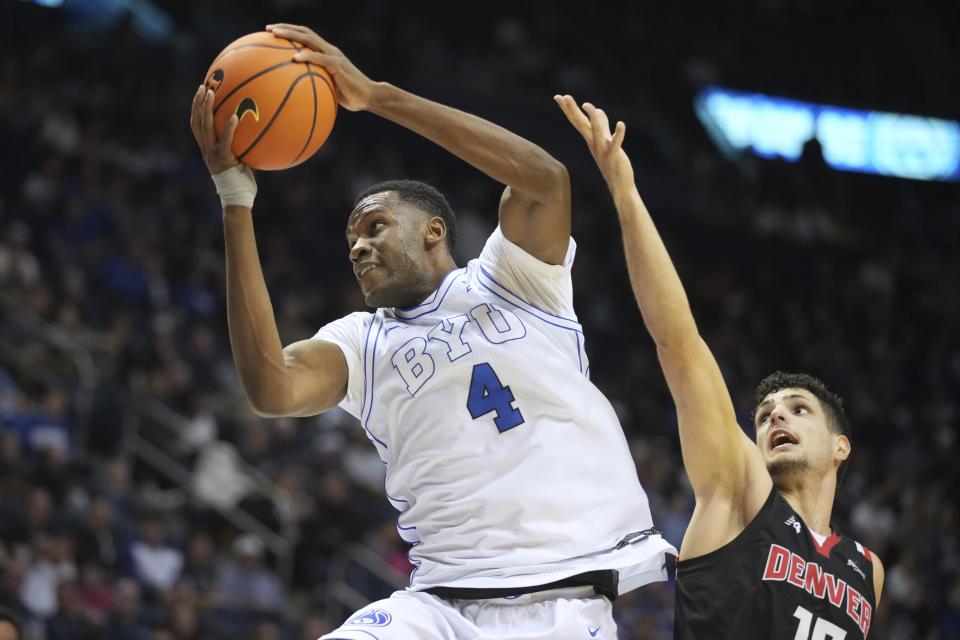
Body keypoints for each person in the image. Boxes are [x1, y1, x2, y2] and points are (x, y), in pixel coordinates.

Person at [190, 22, 675, 640]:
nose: (358, 248)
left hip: (562, 605)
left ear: (434, 231)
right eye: (350, 242)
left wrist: (375, 96)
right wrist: (235, 198)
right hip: (437, 608)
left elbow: (545, 178)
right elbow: (271, 387)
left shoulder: (513, 281)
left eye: (374, 227)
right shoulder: (361, 342)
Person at [555, 95, 885, 639]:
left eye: (798, 409)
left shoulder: (865, 570)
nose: (775, 418)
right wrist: (625, 190)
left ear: (840, 446)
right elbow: (679, 342)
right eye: (764, 415)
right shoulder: (739, 487)